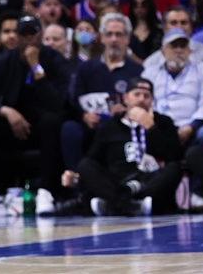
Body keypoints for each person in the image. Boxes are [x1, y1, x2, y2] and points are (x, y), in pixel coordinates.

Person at [0, 16, 69, 216]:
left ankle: (46, 192)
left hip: (42, 127)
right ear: (18, 37)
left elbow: (57, 102)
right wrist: (7, 111)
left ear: (40, 35)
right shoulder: (3, 61)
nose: (29, 38)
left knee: (52, 121)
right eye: (25, 34)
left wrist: (36, 67)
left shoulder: (55, 60)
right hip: (12, 127)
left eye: (33, 33)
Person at [75, 77, 183, 216]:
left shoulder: (163, 122)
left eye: (146, 96)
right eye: (137, 94)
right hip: (119, 183)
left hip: (149, 182)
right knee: (85, 165)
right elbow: (93, 160)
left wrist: (150, 127)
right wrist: (75, 177)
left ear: (152, 101)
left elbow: (174, 155)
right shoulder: (110, 126)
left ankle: (115, 205)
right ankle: (131, 206)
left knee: (175, 167)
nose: (141, 99)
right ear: (126, 98)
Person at [61, 14, 143, 173]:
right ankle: (76, 179)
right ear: (102, 38)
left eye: (119, 34)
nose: (114, 39)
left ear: (127, 38)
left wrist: (127, 111)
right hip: (92, 125)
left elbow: (143, 101)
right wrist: (85, 115)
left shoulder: (137, 71)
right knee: (69, 128)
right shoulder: (86, 68)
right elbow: (75, 98)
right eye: (109, 34)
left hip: (122, 127)